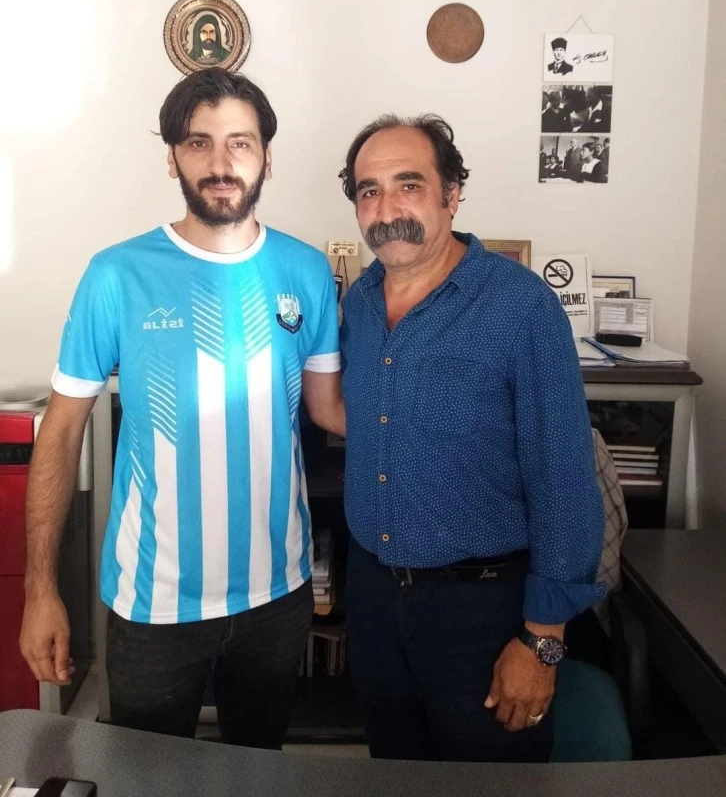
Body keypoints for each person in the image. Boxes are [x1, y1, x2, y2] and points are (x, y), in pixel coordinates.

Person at [20, 68, 345, 747]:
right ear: (172, 157)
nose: (221, 163)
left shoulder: (306, 272)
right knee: (144, 777)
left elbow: (329, 410)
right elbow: (61, 432)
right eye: (199, 143)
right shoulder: (116, 275)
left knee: (257, 771)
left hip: (277, 597)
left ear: (267, 156)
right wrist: (40, 589)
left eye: (240, 143)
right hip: (153, 602)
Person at [337, 114, 605, 763]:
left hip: (483, 611)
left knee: (492, 780)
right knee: (393, 770)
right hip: (374, 598)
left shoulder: (520, 307)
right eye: (369, 190)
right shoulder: (358, 303)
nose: (386, 208)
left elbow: (564, 481)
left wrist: (542, 640)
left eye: (408, 185)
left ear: (451, 194)